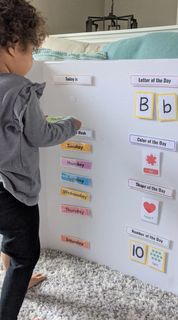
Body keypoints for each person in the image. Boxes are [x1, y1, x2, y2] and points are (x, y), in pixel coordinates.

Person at [0, 0, 82, 319]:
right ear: (13, 46)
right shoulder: (20, 90)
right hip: (13, 191)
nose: (32, 60)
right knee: (26, 254)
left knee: (8, 237)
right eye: (32, 52)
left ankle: (15, 279)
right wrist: (70, 125)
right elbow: (41, 135)